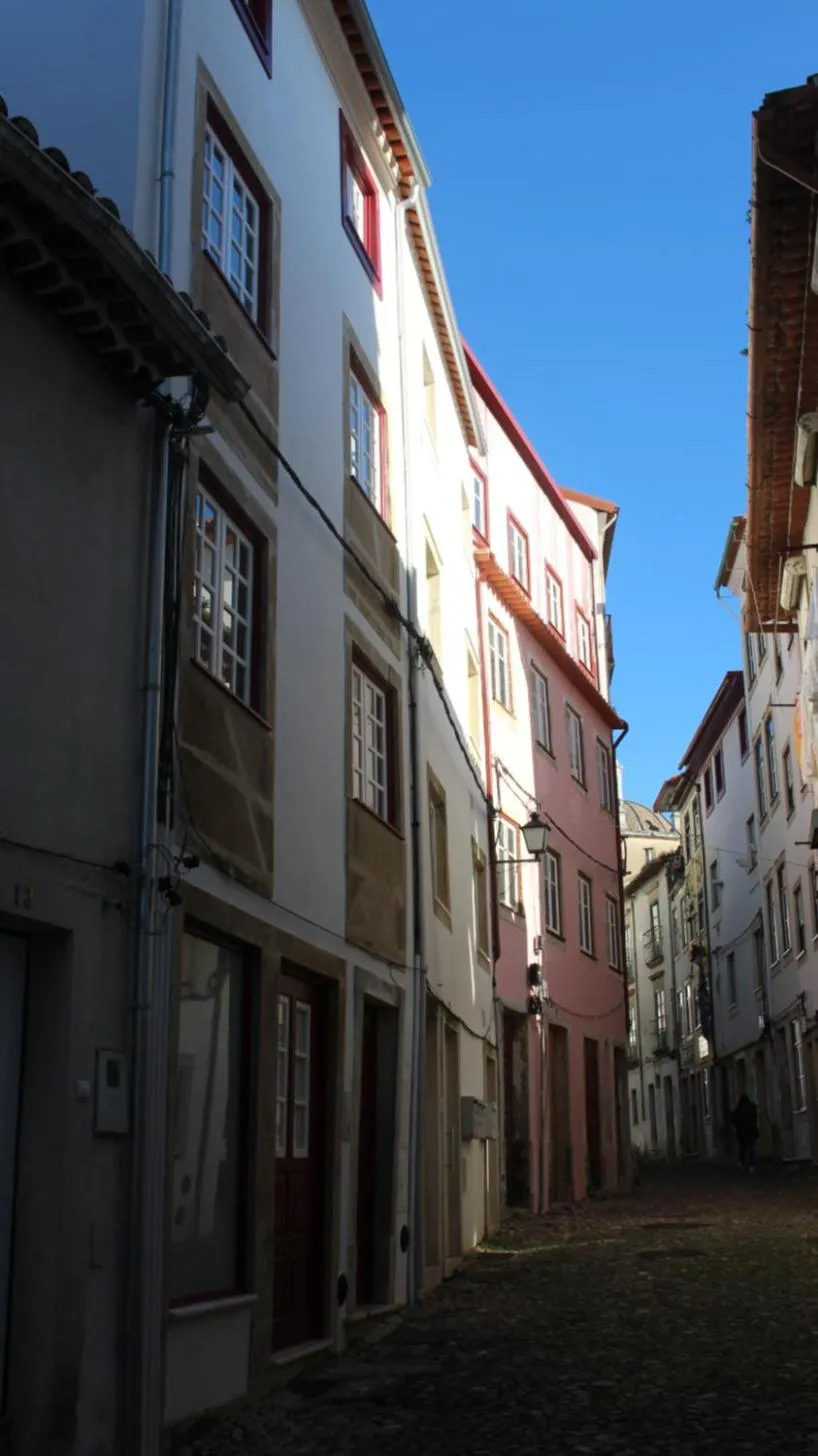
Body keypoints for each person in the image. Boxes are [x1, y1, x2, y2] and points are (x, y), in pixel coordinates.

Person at [731, 1092, 759, 1172]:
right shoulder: (752, 1107)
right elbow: (755, 1117)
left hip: (742, 1132)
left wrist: (738, 1126)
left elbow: (734, 1119)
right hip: (751, 1131)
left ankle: (742, 1163)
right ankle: (751, 1165)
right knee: (751, 1149)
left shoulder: (739, 1109)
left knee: (742, 1149)